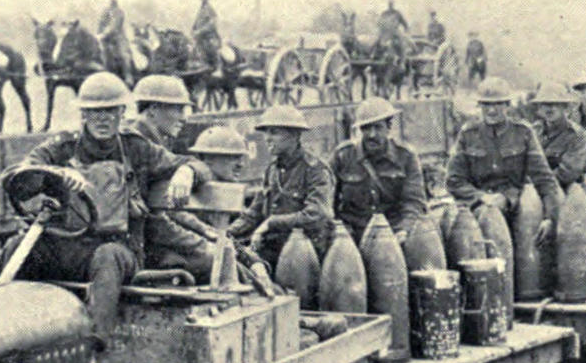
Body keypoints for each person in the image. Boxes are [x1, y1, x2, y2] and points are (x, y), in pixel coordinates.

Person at [0, 72, 211, 338]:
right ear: (83, 114)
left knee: (107, 256)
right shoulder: (62, 147)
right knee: (16, 246)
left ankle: (94, 342)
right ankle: (15, 333)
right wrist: (55, 173)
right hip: (68, 245)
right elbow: (17, 174)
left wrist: (186, 173)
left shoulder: (135, 148)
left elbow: (197, 165)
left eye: (110, 111)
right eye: (94, 112)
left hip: (120, 248)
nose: (102, 119)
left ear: (122, 112)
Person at [125, 74, 217, 279]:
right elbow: (155, 223)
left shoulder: (153, 142)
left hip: (147, 242)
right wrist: (201, 245)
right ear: (153, 109)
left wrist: (187, 171)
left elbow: (199, 168)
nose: (184, 118)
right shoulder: (137, 145)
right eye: (178, 109)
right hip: (139, 249)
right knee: (217, 260)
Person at [447, 76, 557, 245]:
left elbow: (544, 178)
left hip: (515, 206)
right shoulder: (468, 134)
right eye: (486, 105)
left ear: (507, 105)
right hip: (477, 206)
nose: (491, 110)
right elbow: (454, 181)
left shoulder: (523, 132)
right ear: (480, 106)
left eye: (498, 104)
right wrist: (482, 197)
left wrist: (549, 217)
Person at [229, 104, 334, 270]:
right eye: (266, 133)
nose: (267, 138)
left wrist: (272, 223)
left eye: (274, 132)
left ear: (294, 135)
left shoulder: (315, 170)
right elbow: (254, 212)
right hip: (273, 250)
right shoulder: (272, 170)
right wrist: (227, 233)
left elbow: (317, 214)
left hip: (306, 254)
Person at [331, 97, 426, 244]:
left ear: (389, 127)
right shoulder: (343, 156)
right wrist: (338, 229)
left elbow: (413, 202)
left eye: (378, 127)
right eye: (366, 128)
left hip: (394, 235)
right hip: (352, 236)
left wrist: (404, 230)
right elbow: (327, 200)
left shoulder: (406, 157)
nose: (372, 135)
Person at [530, 82, 586, 189]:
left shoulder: (577, 135)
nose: (549, 109)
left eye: (555, 104)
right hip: (534, 186)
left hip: (564, 188)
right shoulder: (534, 130)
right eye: (545, 104)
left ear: (564, 107)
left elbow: (569, 172)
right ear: (540, 108)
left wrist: (538, 182)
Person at [98, 0, 135, 86]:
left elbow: (115, 25)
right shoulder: (105, 11)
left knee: (124, 54)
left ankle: (128, 76)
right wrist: (98, 34)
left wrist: (105, 33)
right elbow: (101, 23)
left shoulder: (119, 11)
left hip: (118, 37)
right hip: (106, 38)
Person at [192, 0, 221, 72]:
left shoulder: (210, 9)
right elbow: (197, 22)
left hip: (208, 35)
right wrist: (193, 29)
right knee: (196, 50)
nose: (203, 0)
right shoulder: (200, 9)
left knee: (211, 49)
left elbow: (212, 24)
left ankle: (217, 68)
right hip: (200, 36)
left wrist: (200, 31)